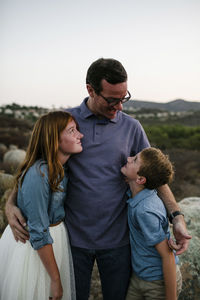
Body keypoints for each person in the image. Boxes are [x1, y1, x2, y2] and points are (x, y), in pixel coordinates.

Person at [5, 58, 191, 300]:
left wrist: (177, 216)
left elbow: (156, 176)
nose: (120, 107)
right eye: (112, 100)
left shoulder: (132, 128)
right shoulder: (65, 124)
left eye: (123, 98)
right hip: (72, 240)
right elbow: (35, 165)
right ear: (90, 89)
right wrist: (11, 203)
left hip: (118, 240)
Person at [0, 111, 83, 300]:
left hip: (54, 239)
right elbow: (38, 229)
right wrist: (55, 279)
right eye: (72, 131)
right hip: (36, 247)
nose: (80, 135)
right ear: (54, 140)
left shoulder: (61, 168)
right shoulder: (39, 174)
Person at [121, 147, 182, 300]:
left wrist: (171, 297)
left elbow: (167, 255)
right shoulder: (139, 194)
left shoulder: (145, 211)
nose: (128, 158)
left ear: (141, 179)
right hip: (140, 278)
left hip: (158, 283)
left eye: (134, 160)